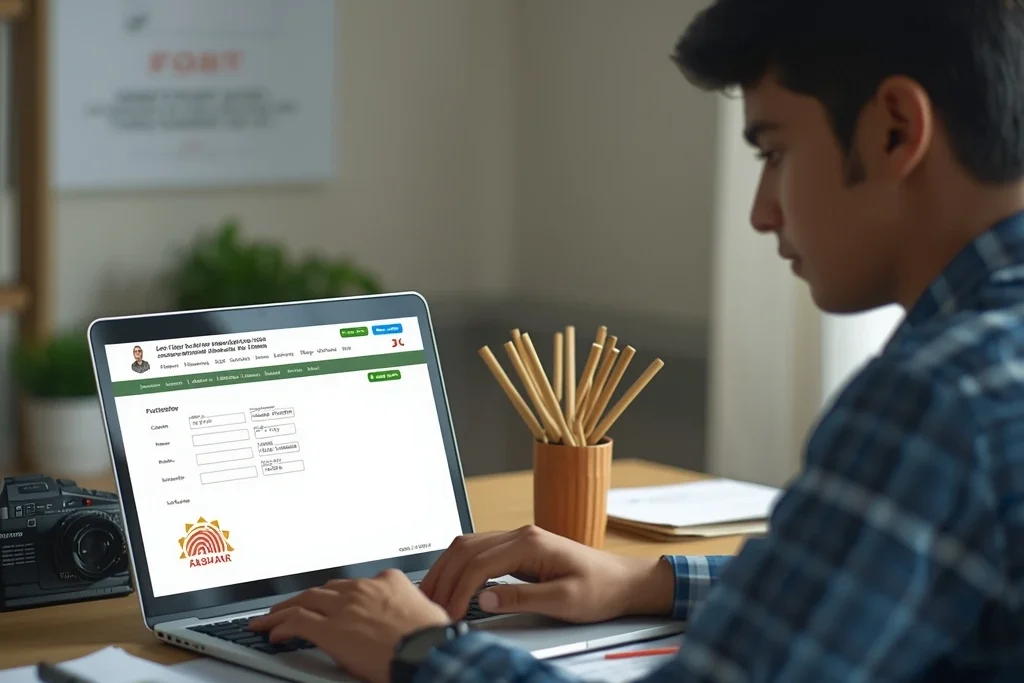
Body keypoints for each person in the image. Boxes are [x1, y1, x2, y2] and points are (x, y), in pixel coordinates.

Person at [248, 1, 1024, 681]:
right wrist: (645, 582)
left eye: (775, 151)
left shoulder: (937, 397)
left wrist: (419, 650)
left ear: (896, 130)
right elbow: (865, 578)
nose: (762, 211)